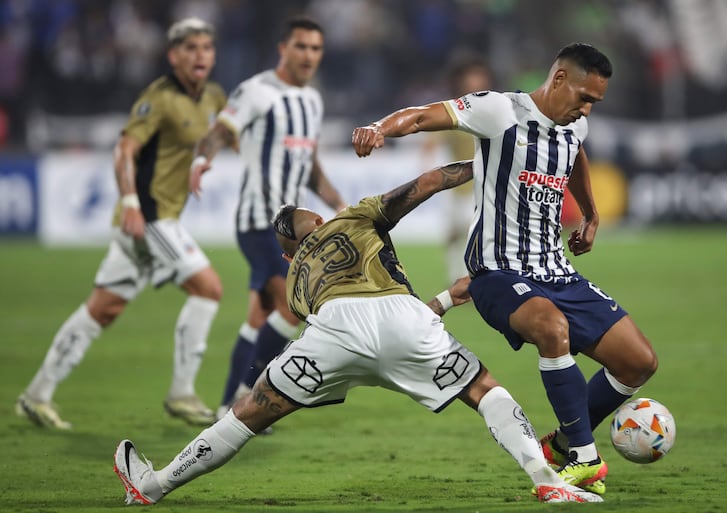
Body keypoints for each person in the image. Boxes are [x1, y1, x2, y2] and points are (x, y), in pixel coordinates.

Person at [113, 160, 602, 505]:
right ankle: (546, 479)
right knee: (484, 390)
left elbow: (358, 323)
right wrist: (491, 163)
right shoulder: (355, 215)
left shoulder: (296, 279)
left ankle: (154, 485)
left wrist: (443, 301)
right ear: (321, 219)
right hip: (404, 320)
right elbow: (429, 182)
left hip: (330, 333)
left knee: (248, 413)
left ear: (286, 254)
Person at [351, 43, 658, 495]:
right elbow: (421, 116)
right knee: (552, 329)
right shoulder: (500, 111)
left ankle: (564, 443)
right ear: (558, 79)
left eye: (595, 101)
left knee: (638, 362)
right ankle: (585, 459)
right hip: (498, 273)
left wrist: (591, 214)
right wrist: (379, 128)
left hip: (556, 271)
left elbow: (574, 155)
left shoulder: (576, 125)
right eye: (584, 97)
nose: (587, 109)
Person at [16, 18, 227, 428]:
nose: (200, 55)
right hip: (148, 217)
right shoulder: (159, 97)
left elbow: (218, 135)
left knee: (102, 308)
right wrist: (130, 202)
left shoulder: (213, 97)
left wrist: (206, 158)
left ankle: (37, 394)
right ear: (173, 56)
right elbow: (124, 149)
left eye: (206, 47)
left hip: (157, 220)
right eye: (190, 48)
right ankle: (182, 393)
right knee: (208, 288)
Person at [189, 16, 346, 422]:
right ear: (283, 49)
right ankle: (250, 397)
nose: (308, 55)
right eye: (301, 46)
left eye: (315, 48)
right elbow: (220, 131)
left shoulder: (312, 100)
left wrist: (339, 205)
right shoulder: (258, 91)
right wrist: (202, 160)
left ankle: (229, 404)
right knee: (294, 306)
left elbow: (309, 166)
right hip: (260, 222)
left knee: (260, 317)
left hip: (290, 231)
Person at [421, 56, 494, 282]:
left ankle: (475, 279)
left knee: (479, 235)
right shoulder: (454, 111)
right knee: (456, 234)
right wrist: (429, 173)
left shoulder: (496, 108)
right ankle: (458, 278)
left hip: (489, 186)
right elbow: (431, 142)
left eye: (479, 77)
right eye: (471, 77)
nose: (476, 82)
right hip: (460, 187)